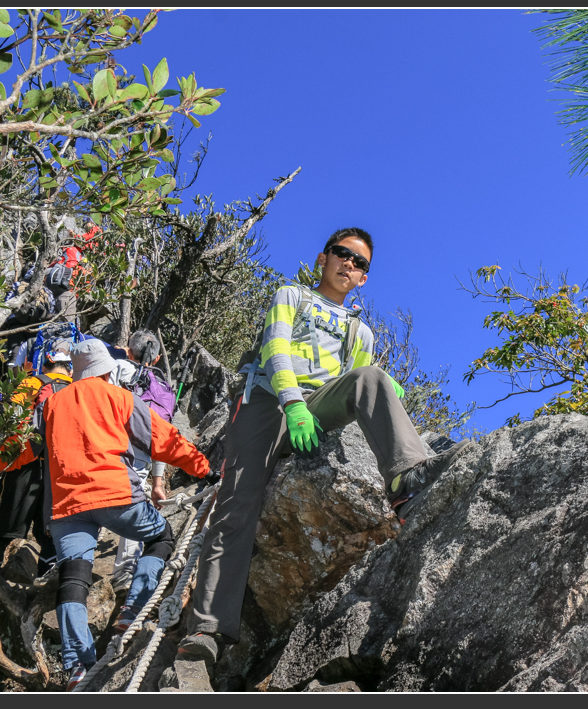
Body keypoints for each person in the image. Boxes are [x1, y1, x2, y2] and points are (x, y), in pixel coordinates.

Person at [176, 228, 472, 674]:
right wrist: (292, 405)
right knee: (237, 503)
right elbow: (275, 348)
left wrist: (381, 390)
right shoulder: (290, 295)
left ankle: (406, 480)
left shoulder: (360, 331)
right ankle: (208, 629)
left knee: (372, 378)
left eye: (359, 262)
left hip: (319, 406)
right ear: (323, 257)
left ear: (364, 278)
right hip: (268, 401)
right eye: (342, 254)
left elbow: (354, 384)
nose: (349, 264)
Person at [39, 339, 211, 690]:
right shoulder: (119, 397)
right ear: (106, 368)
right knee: (160, 537)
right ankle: (133, 609)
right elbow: (164, 439)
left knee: (73, 578)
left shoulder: (52, 402)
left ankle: (77, 664)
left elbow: (36, 445)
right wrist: (205, 470)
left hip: (66, 503)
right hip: (115, 493)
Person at [0, 340, 74, 577]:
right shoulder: (78, 390)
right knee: (49, 535)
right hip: (60, 470)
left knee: (2, 532)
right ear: (70, 370)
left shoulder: (31, 383)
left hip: (24, 464)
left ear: (44, 366)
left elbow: (7, 424)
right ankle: (44, 586)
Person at [107, 330, 180, 592]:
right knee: (135, 506)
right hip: (141, 460)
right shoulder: (161, 386)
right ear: (157, 357)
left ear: (129, 350)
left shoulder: (115, 368)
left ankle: (71, 564)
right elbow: (161, 440)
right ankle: (125, 572)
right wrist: (158, 483)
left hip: (107, 451)